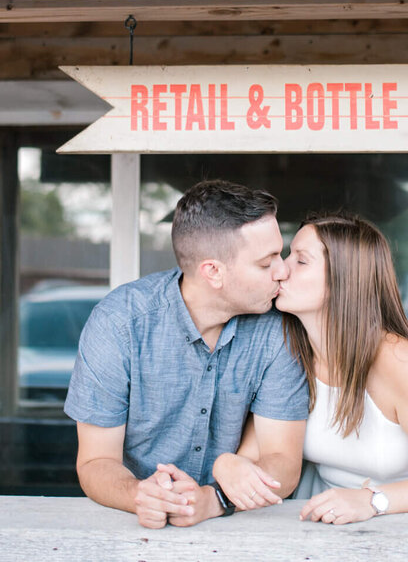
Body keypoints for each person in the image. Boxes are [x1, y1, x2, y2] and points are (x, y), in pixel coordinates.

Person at [64, 180, 309, 529]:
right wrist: (141, 495)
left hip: (239, 529)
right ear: (213, 272)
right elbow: (95, 461)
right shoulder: (119, 324)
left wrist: (214, 500)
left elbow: (283, 462)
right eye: (266, 262)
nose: (282, 271)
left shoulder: (278, 330)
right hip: (131, 527)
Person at [213, 213, 408, 523]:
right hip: (326, 530)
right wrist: (228, 465)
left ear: (344, 278)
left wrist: (371, 501)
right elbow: (253, 456)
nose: (280, 269)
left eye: (301, 260)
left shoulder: (396, 361)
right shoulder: (288, 349)